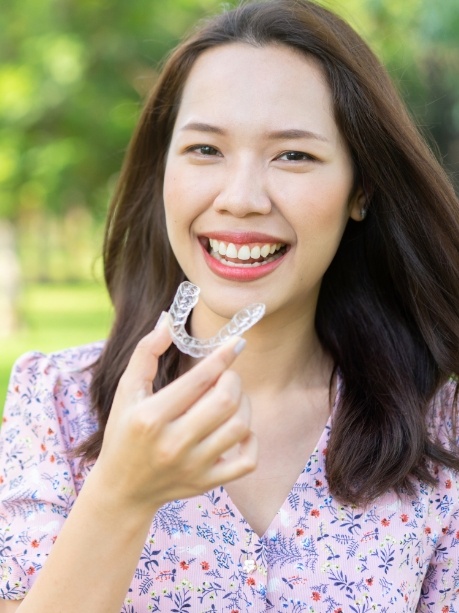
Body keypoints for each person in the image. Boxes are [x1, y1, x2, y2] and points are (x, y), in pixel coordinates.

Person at [1, 0, 459, 611]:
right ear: (162, 170)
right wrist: (122, 494)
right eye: (205, 150)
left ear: (361, 189)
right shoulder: (54, 404)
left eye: (293, 155)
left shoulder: (441, 428)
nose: (241, 199)